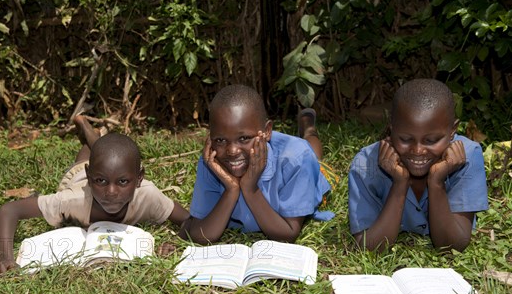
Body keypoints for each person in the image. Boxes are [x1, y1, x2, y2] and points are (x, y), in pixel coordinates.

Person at [0, 116, 190, 275]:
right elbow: (9, 210)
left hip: (99, 169)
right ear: (90, 177)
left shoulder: (148, 195)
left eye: (123, 182)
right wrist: (5, 257)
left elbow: (189, 221)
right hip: (77, 178)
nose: (111, 192)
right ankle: (90, 136)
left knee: (104, 154)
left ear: (139, 179)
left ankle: (90, 133)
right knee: (87, 156)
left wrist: (176, 242)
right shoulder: (71, 200)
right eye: (101, 181)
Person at [179, 84, 334, 244]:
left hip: (303, 159)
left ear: (267, 131)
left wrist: (250, 188)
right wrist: (232, 189)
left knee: (315, 158)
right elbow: (199, 234)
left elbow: (288, 234)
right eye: (220, 140)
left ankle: (308, 127)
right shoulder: (211, 161)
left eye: (244, 138)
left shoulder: (297, 159)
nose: (232, 151)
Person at [348, 78, 488, 252]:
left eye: (431, 140)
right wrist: (400, 183)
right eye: (406, 139)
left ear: (453, 131)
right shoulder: (365, 164)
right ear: (392, 129)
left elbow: (453, 245)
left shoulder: (467, 156)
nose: (418, 150)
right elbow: (368, 248)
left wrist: (436, 183)